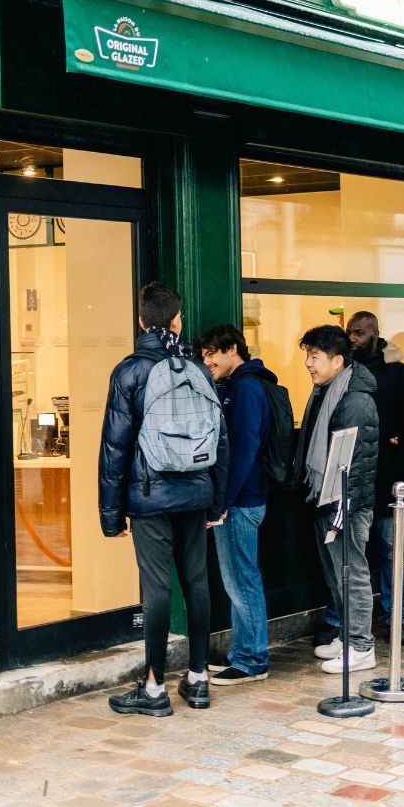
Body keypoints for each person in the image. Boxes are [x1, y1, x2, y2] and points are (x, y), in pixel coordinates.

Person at [98, 282, 228, 717]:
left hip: (150, 497)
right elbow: (220, 441)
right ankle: (198, 678)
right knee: (197, 582)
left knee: (156, 589)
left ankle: (154, 688)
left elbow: (114, 449)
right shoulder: (196, 367)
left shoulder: (129, 372)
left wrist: (112, 515)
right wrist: (216, 502)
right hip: (195, 492)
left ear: (141, 321)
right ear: (177, 320)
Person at [295, 325, 380, 674]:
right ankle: (348, 638)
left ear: (338, 361)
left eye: (315, 356)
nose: (308, 364)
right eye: (307, 355)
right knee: (336, 575)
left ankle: (362, 646)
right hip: (325, 500)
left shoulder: (354, 399)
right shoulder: (327, 391)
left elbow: (355, 463)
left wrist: (340, 512)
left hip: (347, 504)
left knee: (352, 573)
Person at [198, 324, 276, 685]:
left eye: (212, 352)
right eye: (203, 354)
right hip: (242, 499)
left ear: (233, 350)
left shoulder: (245, 389)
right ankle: (244, 651)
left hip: (240, 502)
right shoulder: (239, 386)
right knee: (239, 578)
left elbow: (242, 450)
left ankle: (251, 659)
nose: (207, 360)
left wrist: (223, 502)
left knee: (241, 579)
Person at [347, 311, 404, 643]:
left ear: (376, 333)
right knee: (354, 554)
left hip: (391, 481)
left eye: (360, 333)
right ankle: (347, 622)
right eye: (350, 332)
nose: (354, 338)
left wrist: (399, 463)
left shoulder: (398, 372)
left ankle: (398, 619)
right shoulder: (348, 371)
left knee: (392, 552)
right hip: (358, 479)